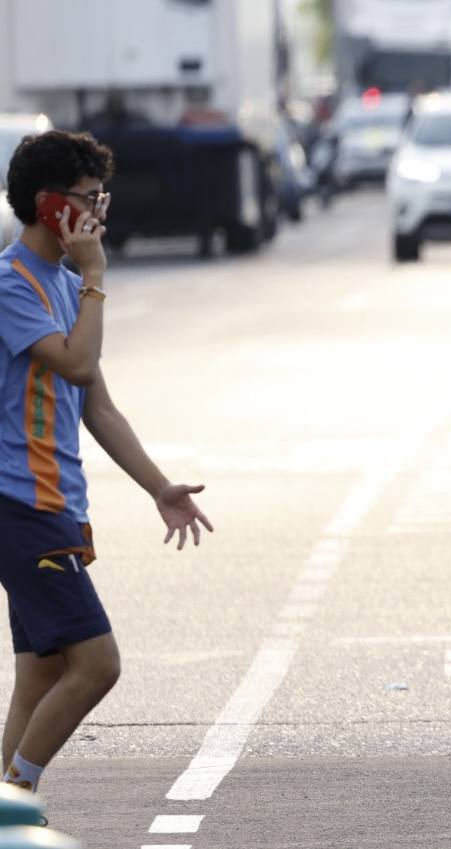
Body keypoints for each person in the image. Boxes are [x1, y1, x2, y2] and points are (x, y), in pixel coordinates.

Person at [0, 130, 213, 799]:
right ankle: (18, 797)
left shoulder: (63, 285)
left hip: (53, 505)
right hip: (22, 505)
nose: (99, 216)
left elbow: (99, 406)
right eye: (88, 201)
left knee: (40, 672)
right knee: (96, 664)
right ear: (47, 205)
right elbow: (76, 361)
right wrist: (95, 279)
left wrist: (160, 487)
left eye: (102, 199)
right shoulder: (13, 285)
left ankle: (2, 797)